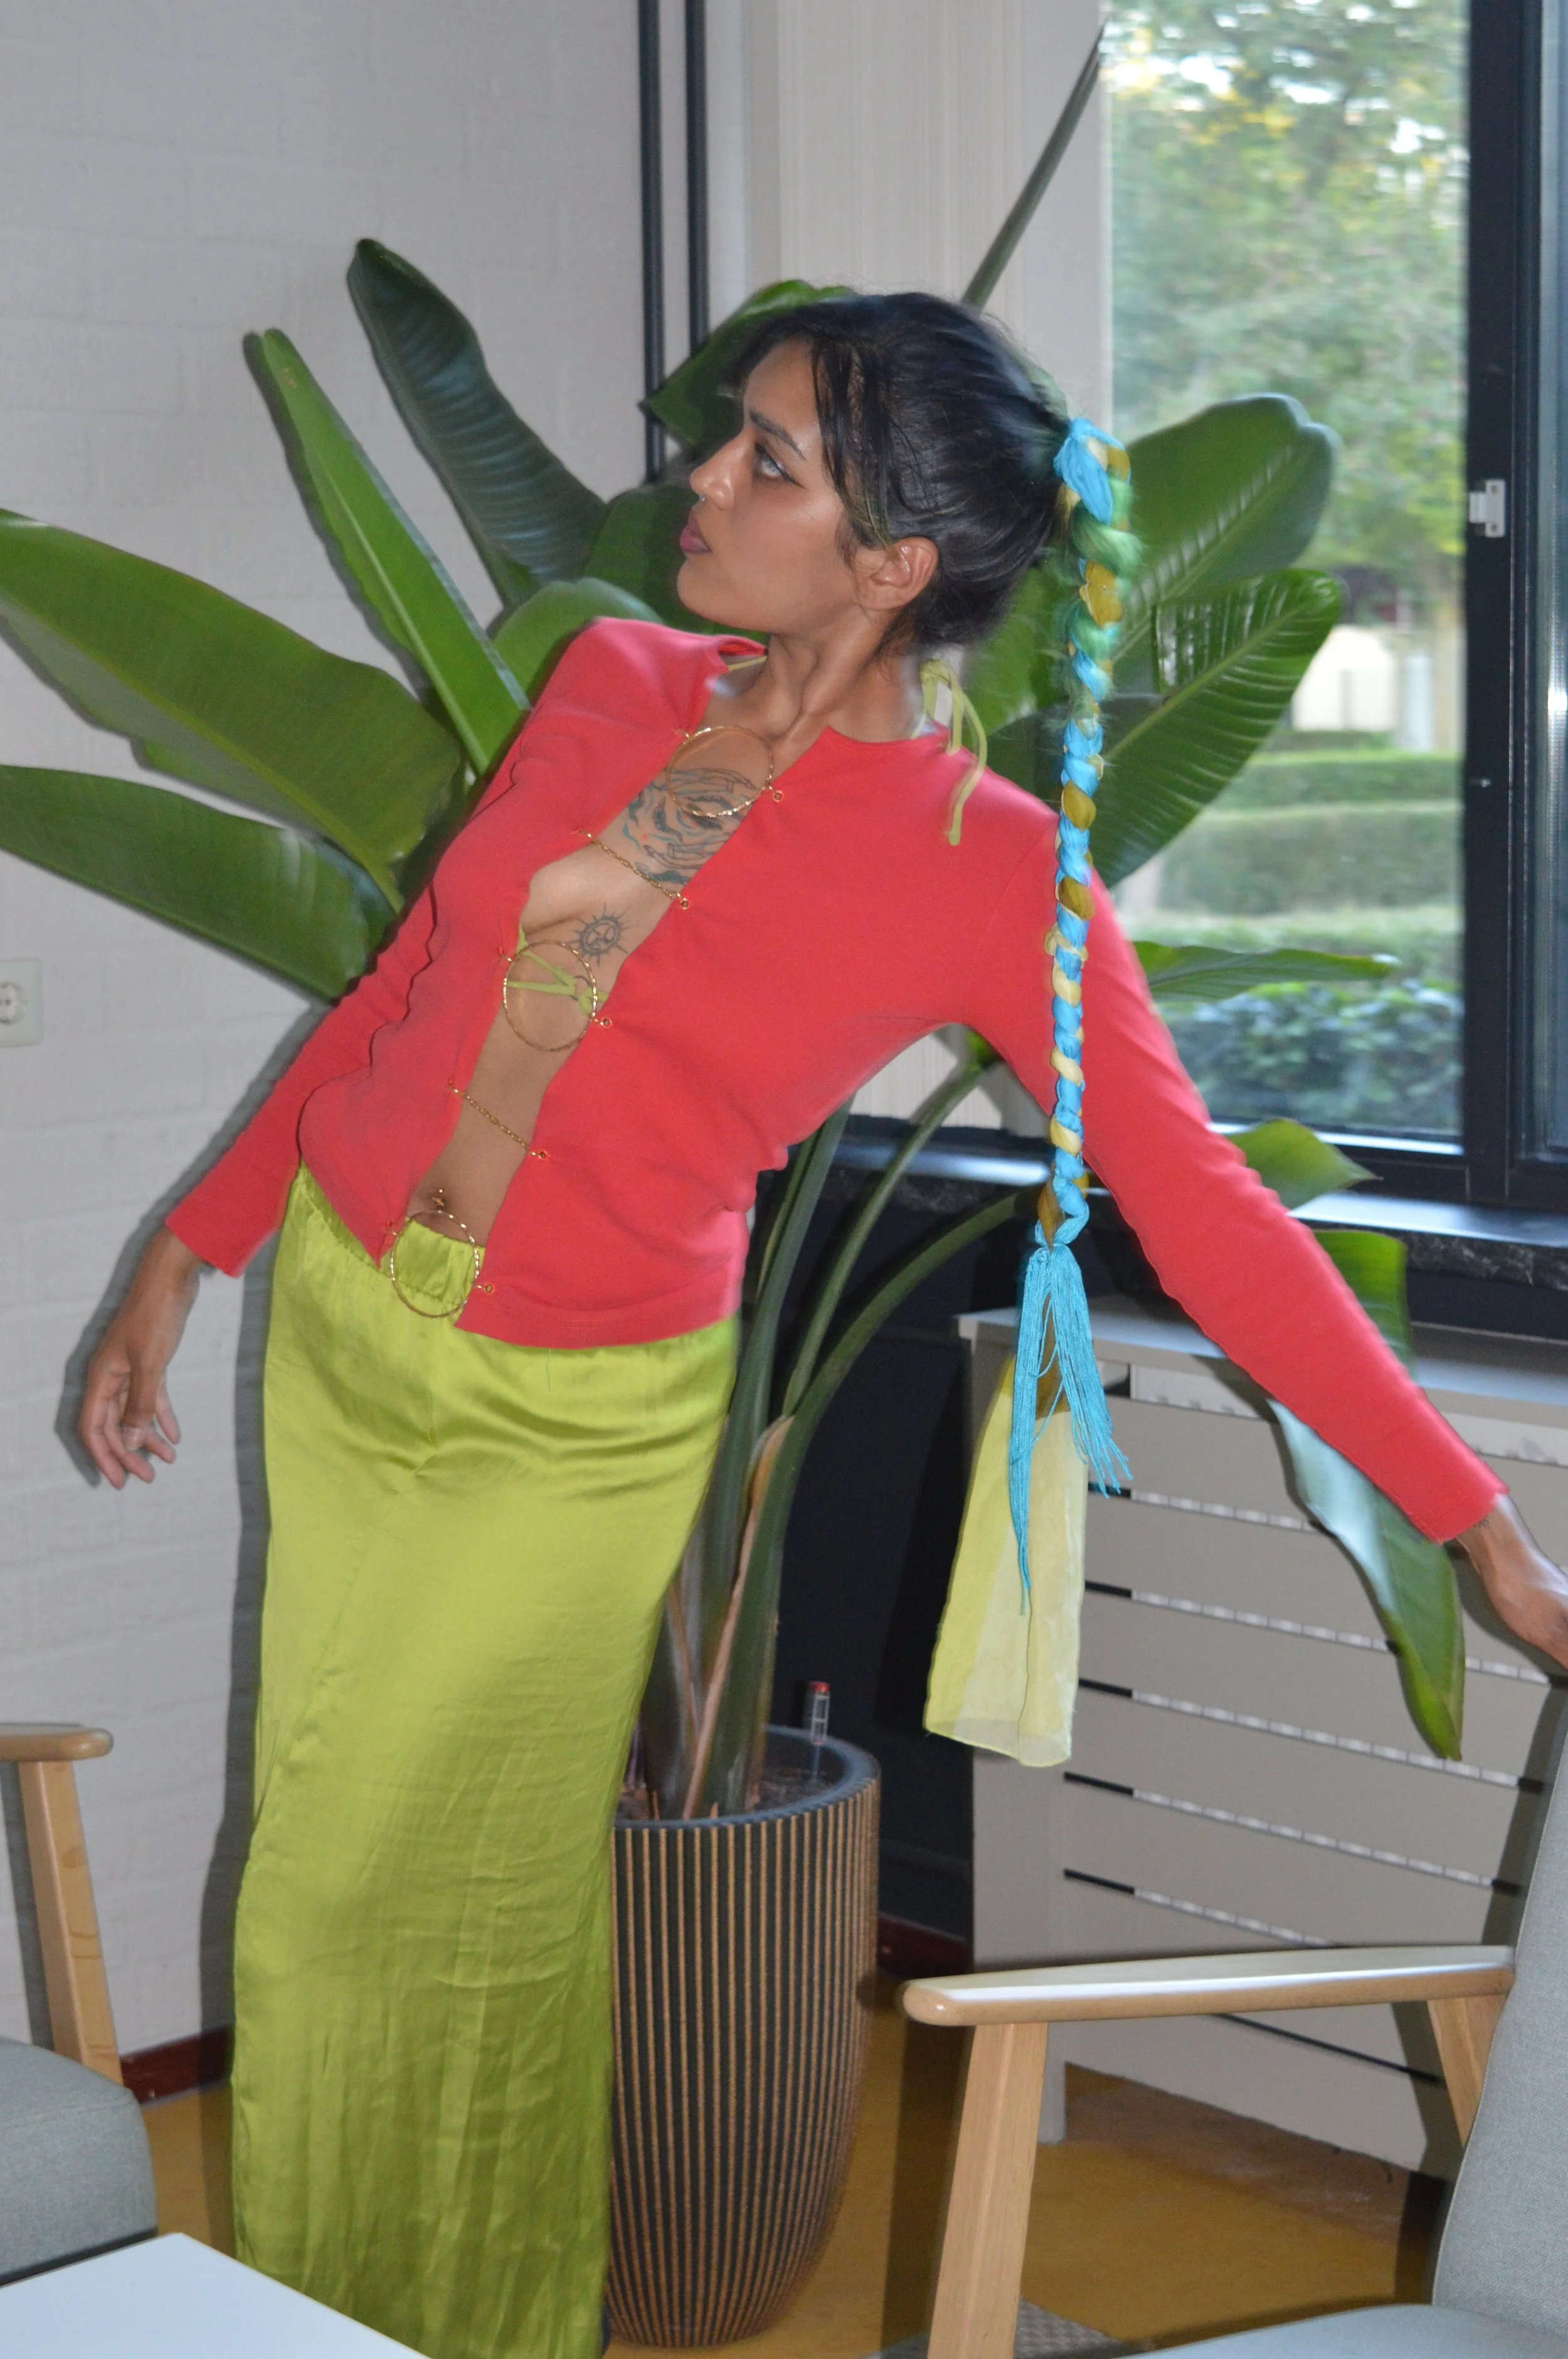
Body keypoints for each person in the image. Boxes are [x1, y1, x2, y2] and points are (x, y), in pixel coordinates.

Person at [79, 293, 1568, 2359]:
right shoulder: (609, 672)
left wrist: (1466, 1515)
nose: (700, 475)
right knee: (317, 1864)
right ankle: (328, 2319)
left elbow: (1207, 1210)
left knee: (420, 1912)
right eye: (734, 440)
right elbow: (416, 978)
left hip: (565, 1427)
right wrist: (197, 1239)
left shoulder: (986, 871)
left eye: (765, 460)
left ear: (890, 564)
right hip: (346, 1330)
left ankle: (467, 2325)